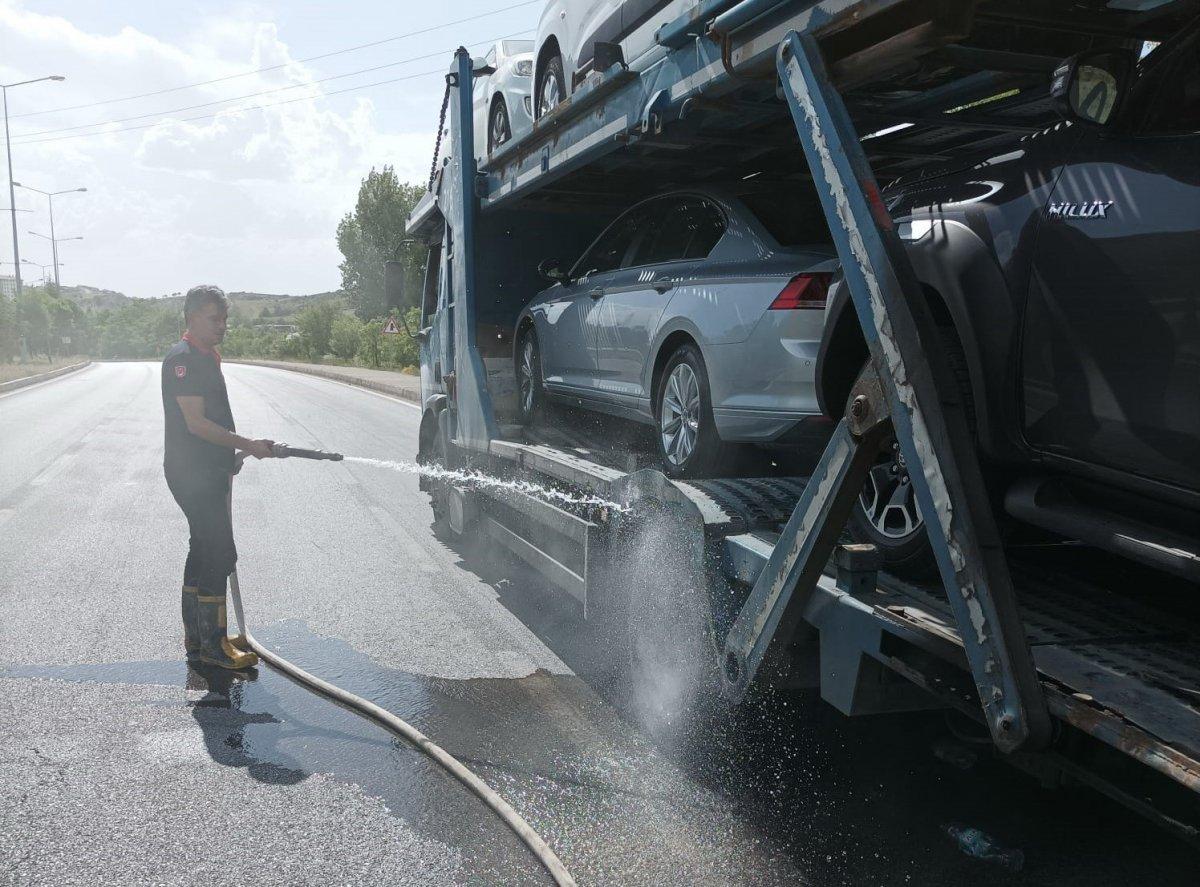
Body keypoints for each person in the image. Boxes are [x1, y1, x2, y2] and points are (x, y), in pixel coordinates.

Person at [162, 285, 275, 670]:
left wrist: (234, 454)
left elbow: (211, 422)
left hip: (205, 468)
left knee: (202, 547)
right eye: (214, 319)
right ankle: (214, 647)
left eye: (224, 319)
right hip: (192, 472)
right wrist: (246, 443)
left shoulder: (205, 357)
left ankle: (199, 637)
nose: (222, 326)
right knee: (219, 551)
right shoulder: (184, 359)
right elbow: (195, 423)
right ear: (192, 317)